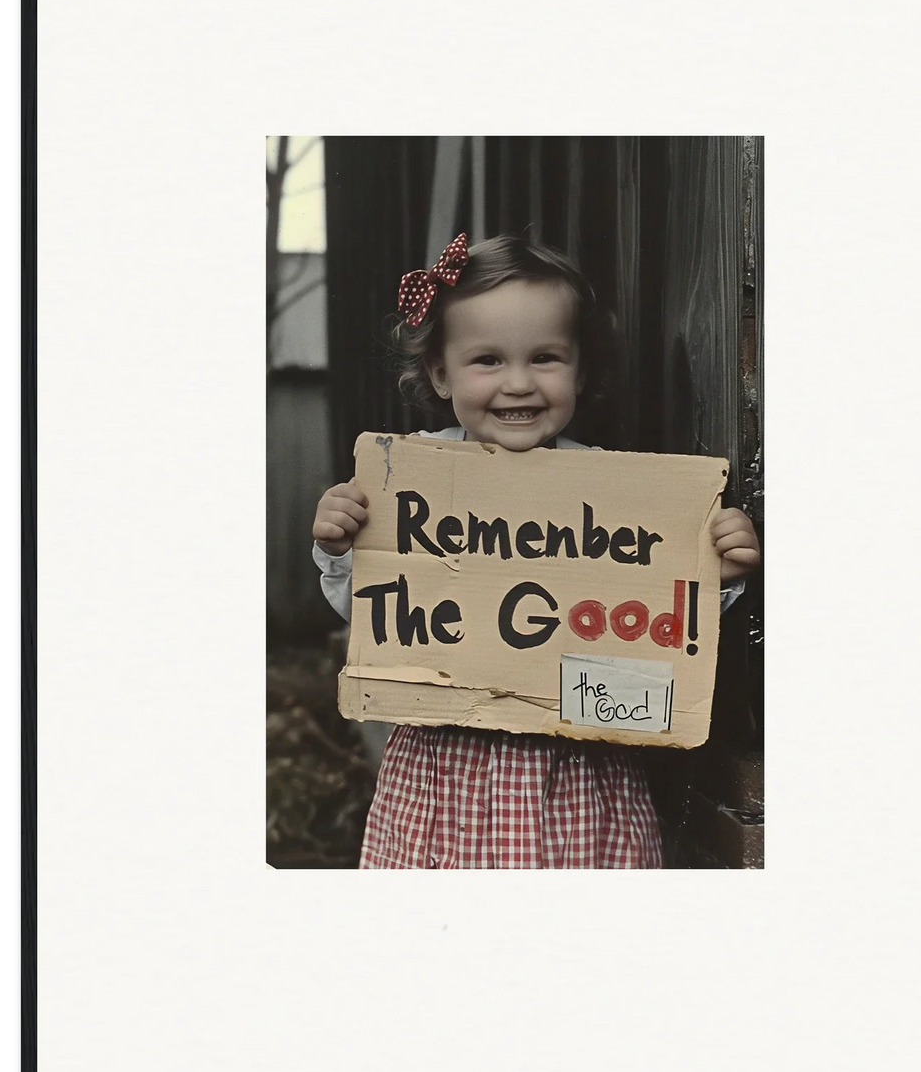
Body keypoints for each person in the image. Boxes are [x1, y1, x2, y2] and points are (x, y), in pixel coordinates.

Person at [312, 233, 761, 869]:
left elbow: (657, 629)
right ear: (441, 373)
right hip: (446, 774)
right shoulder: (407, 479)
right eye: (487, 360)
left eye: (545, 357)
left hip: (578, 772)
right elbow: (374, 614)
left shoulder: (617, 495)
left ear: (580, 368)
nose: (518, 384)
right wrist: (340, 545)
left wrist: (718, 570)